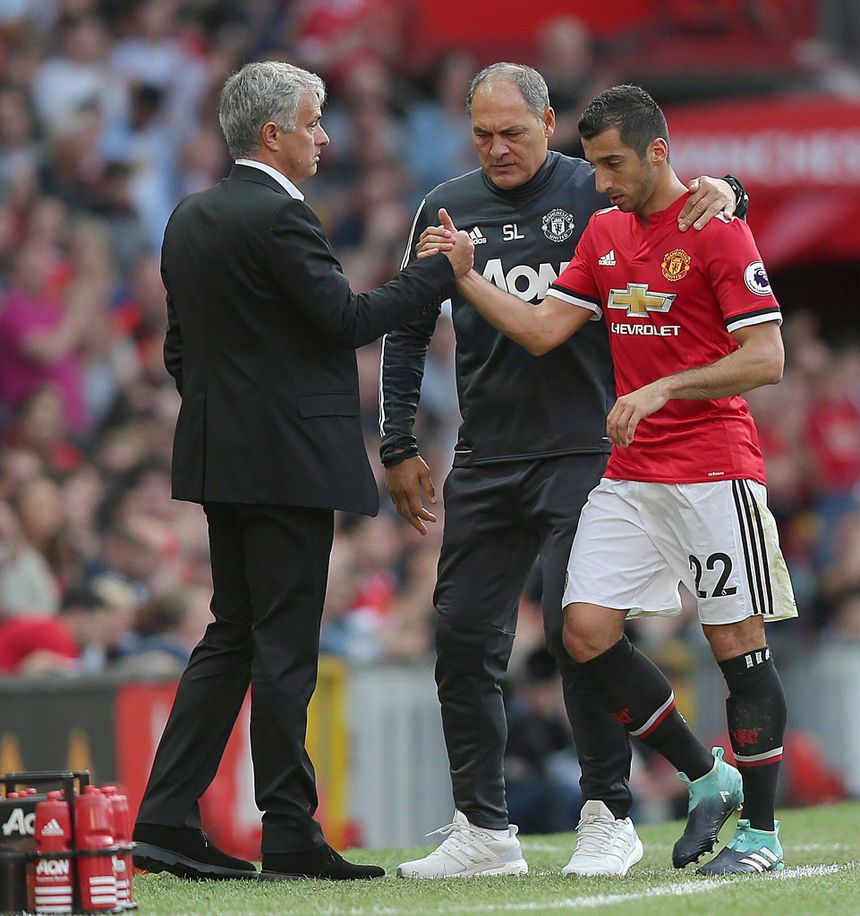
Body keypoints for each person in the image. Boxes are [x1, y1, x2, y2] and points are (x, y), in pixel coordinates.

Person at [381, 62, 747, 878]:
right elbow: (407, 328)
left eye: (513, 132)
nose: (497, 148)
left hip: (588, 448)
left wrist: (731, 190)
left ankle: (608, 813)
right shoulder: (445, 208)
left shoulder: (597, 184)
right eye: (482, 134)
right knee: (461, 636)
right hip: (486, 453)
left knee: (576, 630)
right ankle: (483, 828)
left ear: (549, 125)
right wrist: (398, 442)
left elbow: (687, 204)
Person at [131, 60, 473, 883]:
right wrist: (439, 272)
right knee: (283, 649)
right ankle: (288, 831)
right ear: (272, 133)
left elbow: (181, 351)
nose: (324, 137)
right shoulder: (280, 215)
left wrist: (232, 416)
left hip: (220, 457)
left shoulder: (190, 215)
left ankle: (165, 819)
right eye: (313, 122)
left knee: (232, 635)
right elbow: (345, 319)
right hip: (286, 464)